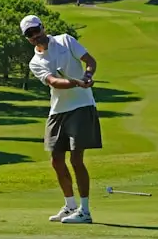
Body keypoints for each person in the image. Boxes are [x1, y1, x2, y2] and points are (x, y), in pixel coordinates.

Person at [20, 14, 102, 224]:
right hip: (58, 110)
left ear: (43, 27)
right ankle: (70, 206)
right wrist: (77, 82)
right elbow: (54, 82)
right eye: (29, 34)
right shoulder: (35, 62)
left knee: (76, 159)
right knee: (56, 160)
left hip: (82, 106)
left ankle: (85, 211)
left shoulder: (65, 40)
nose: (35, 36)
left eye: (36, 30)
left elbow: (90, 61)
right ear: (27, 38)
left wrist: (88, 76)